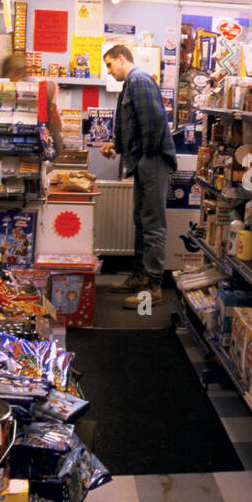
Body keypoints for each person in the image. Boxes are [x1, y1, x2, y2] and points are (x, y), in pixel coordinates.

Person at [100, 44, 175, 309]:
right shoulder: (131, 84)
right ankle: (141, 275)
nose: (109, 72)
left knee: (153, 223)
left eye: (110, 65)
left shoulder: (140, 81)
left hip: (152, 160)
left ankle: (152, 287)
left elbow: (154, 124)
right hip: (145, 160)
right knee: (141, 220)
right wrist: (117, 146)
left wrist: (145, 159)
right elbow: (134, 125)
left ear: (121, 58)